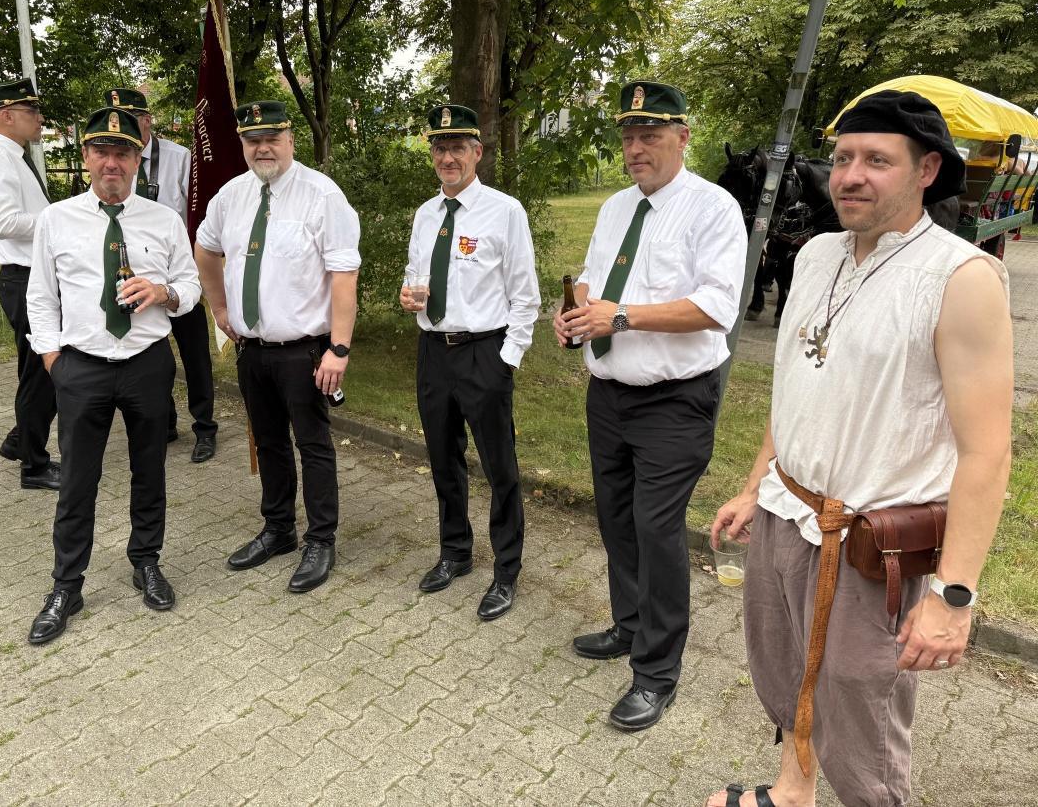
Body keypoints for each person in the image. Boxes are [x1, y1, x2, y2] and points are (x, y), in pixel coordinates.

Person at [705, 90, 1011, 807]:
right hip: (787, 513)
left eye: (877, 160)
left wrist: (952, 597)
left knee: (861, 712)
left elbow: (987, 452)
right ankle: (792, 789)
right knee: (784, 674)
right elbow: (796, 393)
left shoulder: (961, 279)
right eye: (843, 157)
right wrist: (756, 488)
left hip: (871, 544)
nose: (850, 175)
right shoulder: (814, 255)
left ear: (927, 169)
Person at [554, 81, 746, 731]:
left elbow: (718, 306)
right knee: (615, 520)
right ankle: (628, 625)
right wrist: (579, 310)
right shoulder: (615, 207)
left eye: (650, 136)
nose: (636, 148)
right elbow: (591, 272)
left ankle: (657, 674)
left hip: (675, 401)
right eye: (628, 137)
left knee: (657, 528)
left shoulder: (713, 209)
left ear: (682, 136)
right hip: (607, 393)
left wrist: (624, 315)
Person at [25, 107, 202, 645]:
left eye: (122, 152)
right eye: (100, 151)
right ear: (85, 158)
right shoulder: (56, 220)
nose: (111, 162)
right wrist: (55, 361)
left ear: (136, 160)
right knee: (78, 478)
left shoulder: (163, 220)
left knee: (150, 470)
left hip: (146, 365)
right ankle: (66, 584)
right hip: (81, 367)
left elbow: (190, 287)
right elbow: (40, 298)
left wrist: (164, 292)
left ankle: (145, 561)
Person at [195, 101, 360, 594]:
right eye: (252, 140)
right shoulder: (232, 195)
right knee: (267, 443)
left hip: (305, 351)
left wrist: (340, 348)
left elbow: (344, 275)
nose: (262, 148)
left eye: (272, 138)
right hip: (253, 349)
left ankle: (321, 540)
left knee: (312, 444)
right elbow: (205, 248)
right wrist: (220, 308)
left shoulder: (321, 195)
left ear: (291, 140)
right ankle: (279, 529)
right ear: (242, 144)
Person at [400, 104, 540, 621]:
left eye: (458, 147)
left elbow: (526, 296)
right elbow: (416, 276)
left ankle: (506, 571)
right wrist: (408, 297)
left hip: (485, 352)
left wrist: (507, 359)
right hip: (434, 353)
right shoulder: (425, 214)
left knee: (499, 467)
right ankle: (455, 553)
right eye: (439, 148)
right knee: (443, 459)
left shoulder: (505, 211)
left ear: (477, 152)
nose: (447, 157)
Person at [105, 88, 217, 463]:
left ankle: (205, 428)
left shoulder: (179, 158)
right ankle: (165, 421)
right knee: (151, 353)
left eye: (132, 122)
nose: (123, 133)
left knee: (195, 355)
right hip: (133, 276)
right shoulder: (115, 162)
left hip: (177, 274)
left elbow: (197, 214)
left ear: (148, 120)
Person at [0, 77, 59, 491]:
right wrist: (59, 220)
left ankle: (21, 440)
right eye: (31, 111)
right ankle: (34, 466)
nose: (39, 119)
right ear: (7, 115)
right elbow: (4, 224)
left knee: (39, 368)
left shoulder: (10, 156)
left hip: (30, 278)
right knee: (42, 372)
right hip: (23, 280)